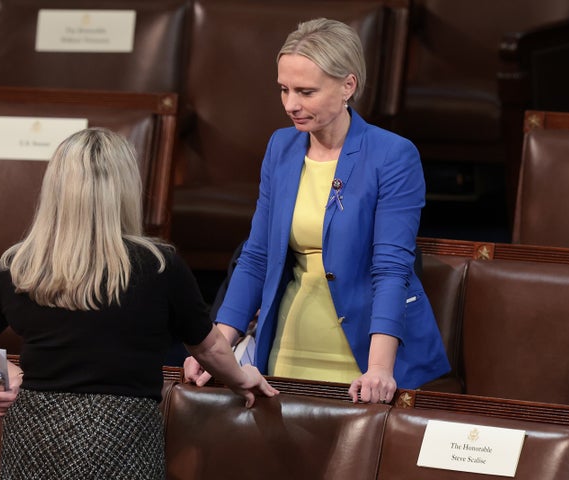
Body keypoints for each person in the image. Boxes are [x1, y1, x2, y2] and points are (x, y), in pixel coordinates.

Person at [0, 127, 278, 479]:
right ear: (125, 189)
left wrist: (8, 377)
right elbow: (209, 349)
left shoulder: (22, 266)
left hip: (36, 435)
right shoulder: (160, 266)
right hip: (124, 436)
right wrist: (241, 378)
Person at [184, 18, 450, 404]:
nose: (292, 105)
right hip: (286, 347)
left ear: (348, 86)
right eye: (284, 90)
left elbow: (392, 268)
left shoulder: (393, 155)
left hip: (361, 352)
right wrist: (218, 348)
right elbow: (257, 256)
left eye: (306, 91)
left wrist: (379, 368)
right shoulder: (281, 147)